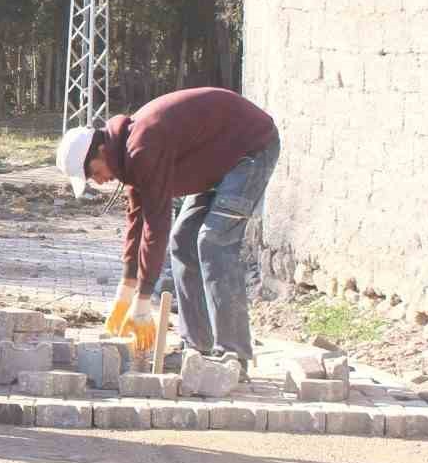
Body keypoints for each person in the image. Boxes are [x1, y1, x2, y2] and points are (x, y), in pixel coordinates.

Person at [55, 87, 280, 366]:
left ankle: (234, 355)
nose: (97, 181)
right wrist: (126, 289)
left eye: (92, 172)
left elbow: (156, 221)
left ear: (100, 150)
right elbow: (137, 221)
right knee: (182, 240)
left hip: (251, 150)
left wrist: (143, 300)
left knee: (213, 242)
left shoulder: (142, 145)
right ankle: (196, 349)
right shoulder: (126, 153)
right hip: (217, 158)